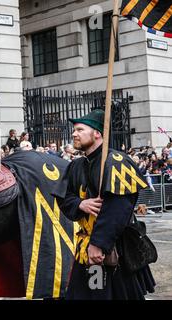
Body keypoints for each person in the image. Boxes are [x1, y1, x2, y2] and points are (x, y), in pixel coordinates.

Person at [53, 109, 156, 300]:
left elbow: (117, 210)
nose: (74, 134)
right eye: (74, 130)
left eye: (80, 129)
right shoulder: (76, 165)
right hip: (87, 250)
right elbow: (64, 198)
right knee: (93, 293)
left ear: (97, 133)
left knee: (112, 295)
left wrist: (98, 245)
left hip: (111, 250)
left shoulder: (117, 162)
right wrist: (80, 204)